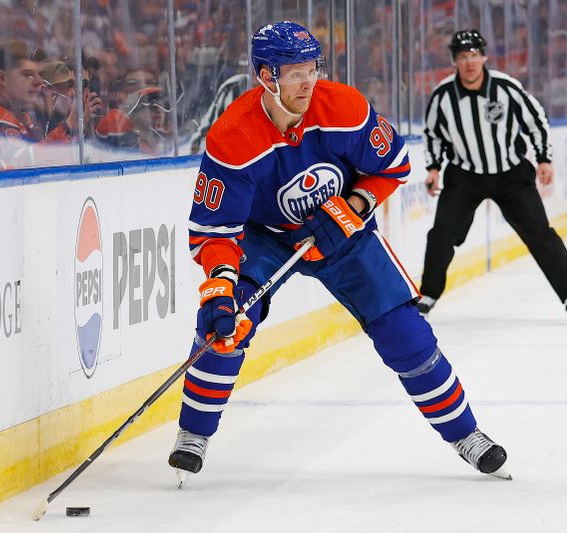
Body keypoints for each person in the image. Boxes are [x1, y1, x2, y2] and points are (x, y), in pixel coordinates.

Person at [168, 21, 510, 483]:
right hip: (264, 237)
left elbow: (393, 167)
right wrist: (221, 284)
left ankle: (466, 434)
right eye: (294, 72)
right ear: (265, 76)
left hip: (342, 232)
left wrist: (353, 204)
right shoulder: (232, 137)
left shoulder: (344, 108)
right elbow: (215, 231)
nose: (308, 80)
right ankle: (193, 435)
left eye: (312, 67)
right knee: (227, 320)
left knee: (404, 328)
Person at [417, 29, 567, 322]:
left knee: (539, 233)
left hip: (511, 175)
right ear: (454, 61)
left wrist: (544, 159)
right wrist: (433, 167)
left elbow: (536, 122)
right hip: (465, 175)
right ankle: (428, 295)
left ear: (483, 56)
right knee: (442, 234)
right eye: (462, 56)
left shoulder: (506, 88)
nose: (469, 62)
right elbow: (433, 134)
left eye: (474, 55)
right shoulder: (443, 95)